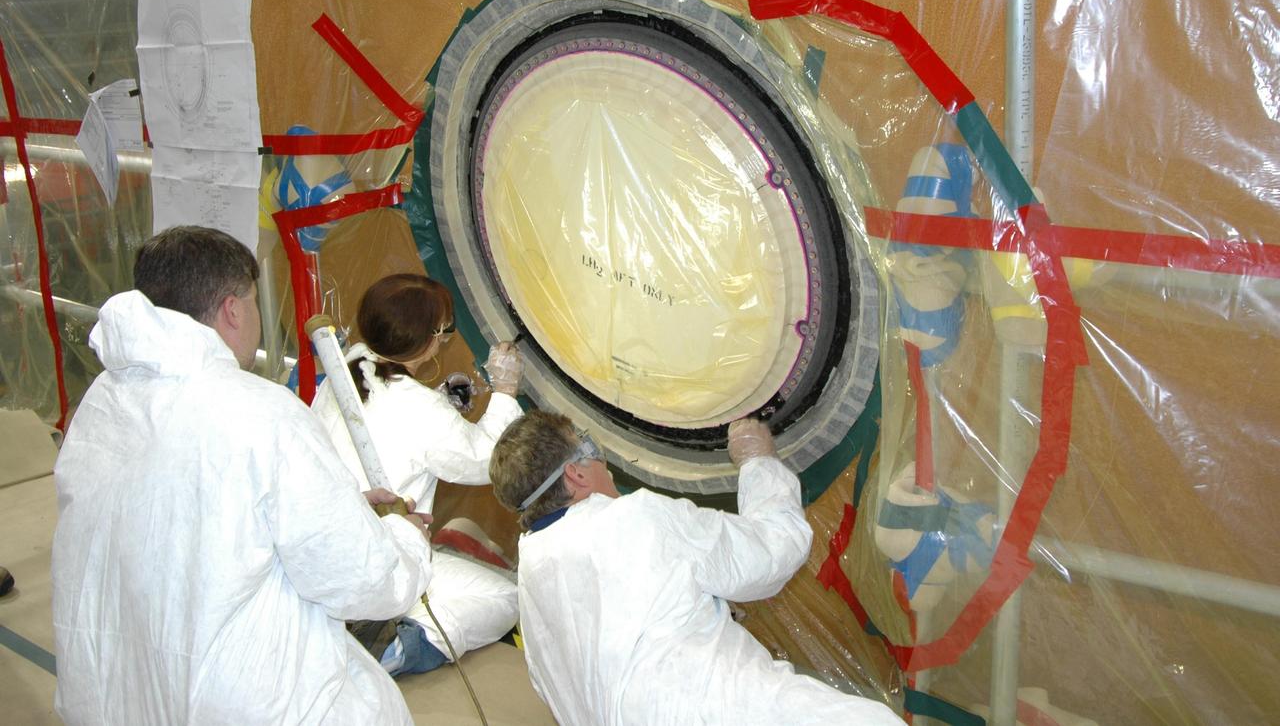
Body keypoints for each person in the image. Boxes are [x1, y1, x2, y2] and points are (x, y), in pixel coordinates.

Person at [51, 226, 433, 725]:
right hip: (234, 703)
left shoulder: (104, 399)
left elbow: (179, 517)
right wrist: (404, 535)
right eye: (253, 301)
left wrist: (343, 508)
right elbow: (366, 581)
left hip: (111, 699)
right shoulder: (260, 410)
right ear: (233, 309)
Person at [488, 411, 905, 726]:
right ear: (575, 474)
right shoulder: (632, 516)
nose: (605, 463)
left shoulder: (532, 574)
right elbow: (774, 550)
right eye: (590, 449)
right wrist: (759, 463)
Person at [311, 272, 523, 676]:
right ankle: (395, 648)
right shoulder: (421, 409)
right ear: (430, 339)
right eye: (444, 331)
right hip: (379, 562)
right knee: (504, 598)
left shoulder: (347, 366)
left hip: (328, 549)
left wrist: (442, 404)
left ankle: (366, 625)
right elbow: (485, 460)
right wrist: (505, 391)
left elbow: (394, 419)